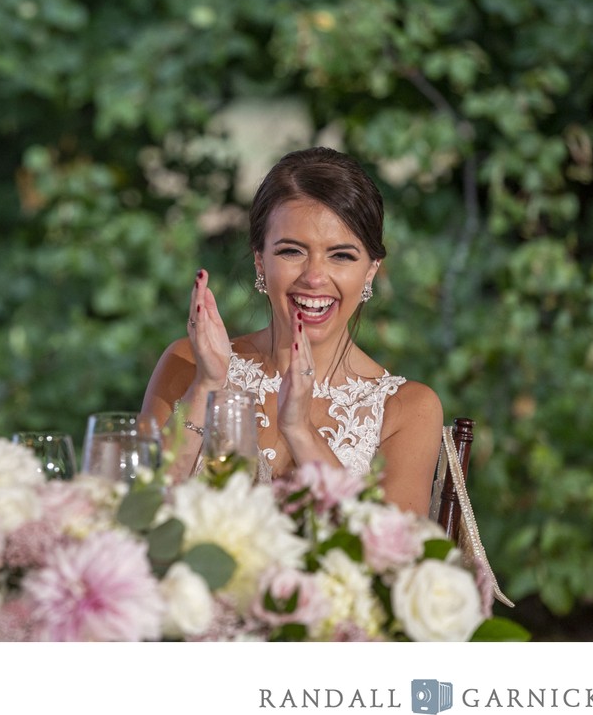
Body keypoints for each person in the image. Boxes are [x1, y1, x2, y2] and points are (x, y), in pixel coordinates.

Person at [141, 146, 443, 515]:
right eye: (291, 252)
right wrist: (205, 385)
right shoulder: (186, 363)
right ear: (260, 261)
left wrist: (299, 430)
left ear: (371, 270)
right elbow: (137, 518)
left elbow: (393, 558)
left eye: (341, 255)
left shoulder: (408, 409)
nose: (314, 277)